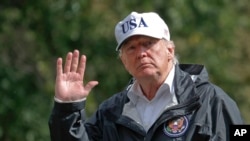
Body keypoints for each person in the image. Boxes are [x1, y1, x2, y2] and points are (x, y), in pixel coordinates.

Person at [48, 11, 244, 141]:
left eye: (148, 43)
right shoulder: (110, 113)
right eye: (131, 48)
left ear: (170, 50)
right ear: (124, 61)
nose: (141, 53)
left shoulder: (212, 101)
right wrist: (67, 109)